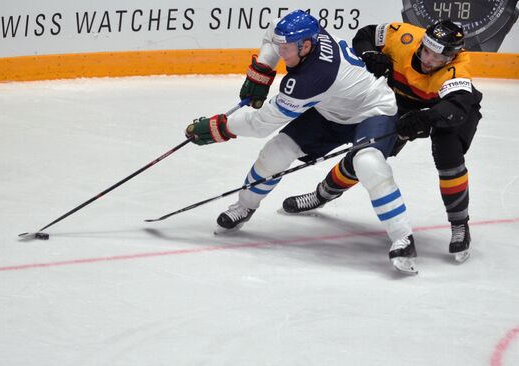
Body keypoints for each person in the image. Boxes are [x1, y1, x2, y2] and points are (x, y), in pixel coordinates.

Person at [184, 10, 419, 274]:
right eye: (282, 47)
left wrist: (221, 128)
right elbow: (273, 33)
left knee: (367, 162)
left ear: (306, 45)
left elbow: (260, 125)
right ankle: (244, 206)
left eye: (287, 49)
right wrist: (262, 70)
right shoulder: (307, 36)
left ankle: (402, 237)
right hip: (330, 110)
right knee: (277, 151)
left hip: (372, 110)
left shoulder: (309, 80)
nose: (281, 53)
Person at [284, 19, 482, 263]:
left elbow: (457, 107)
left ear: (451, 58)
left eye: (437, 58)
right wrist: (368, 53)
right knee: (366, 154)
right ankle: (321, 195)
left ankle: (460, 224)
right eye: (426, 51)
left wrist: (425, 118)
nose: (428, 60)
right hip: (399, 102)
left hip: (443, 109)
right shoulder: (402, 36)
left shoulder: (458, 70)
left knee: (448, 157)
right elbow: (365, 33)